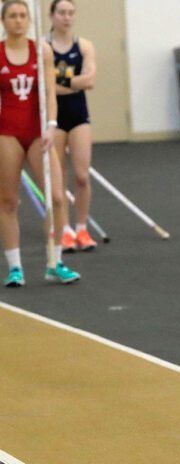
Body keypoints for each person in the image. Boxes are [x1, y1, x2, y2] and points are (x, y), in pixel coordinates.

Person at [0, 0, 80, 286]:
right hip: (7, 133)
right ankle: (15, 267)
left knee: (57, 197)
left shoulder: (41, 51)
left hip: (38, 133)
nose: (19, 20)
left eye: (23, 15)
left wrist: (50, 126)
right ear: (4, 20)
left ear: (29, 19)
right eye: (12, 16)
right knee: (8, 201)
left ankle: (55, 261)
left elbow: (49, 94)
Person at [47, 0, 97, 252]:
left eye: (70, 13)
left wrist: (61, 80)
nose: (67, 17)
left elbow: (90, 80)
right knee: (59, 179)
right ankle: (64, 230)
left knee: (82, 176)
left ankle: (81, 228)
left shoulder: (84, 46)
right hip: (54, 118)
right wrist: (73, 81)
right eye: (62, 13)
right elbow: (46, 87)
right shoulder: (44, 48)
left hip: (78, 116)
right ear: (52, 16)